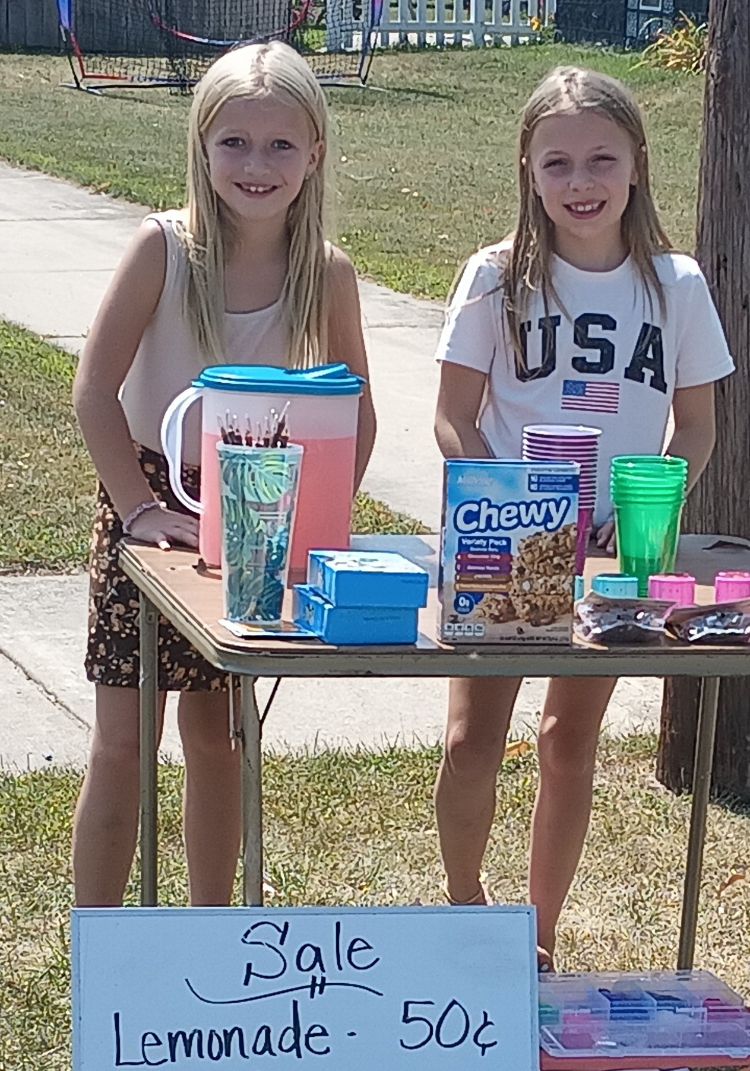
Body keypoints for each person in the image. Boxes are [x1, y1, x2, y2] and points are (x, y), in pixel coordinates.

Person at [433, 65, 733, 969]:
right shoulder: (496, 275)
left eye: (601, 159)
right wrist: (515, 506)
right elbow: (452, 417)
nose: (580, 182)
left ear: (638, 165)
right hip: (506, 542)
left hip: (612, 557)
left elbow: (698, 426)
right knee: (472, 735)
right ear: (527, 168)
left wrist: (646, 503)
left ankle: (539, 930)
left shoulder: (675, 284)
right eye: (557, 161)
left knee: (571, 737)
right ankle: (466, 910)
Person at [72, 41, 376, 907]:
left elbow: (358, 411)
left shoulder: (327, 272)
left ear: (315, 152)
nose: (256, 164)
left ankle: (216, 932)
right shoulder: (161, 250)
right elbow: (94, 391)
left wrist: (316, 519)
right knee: (125, 740)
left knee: (219, 738)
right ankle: (101, 943)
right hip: (147, 503)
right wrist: (136, 507)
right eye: (234, 142)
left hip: (258, 509)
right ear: (201, 143)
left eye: (281, 145)